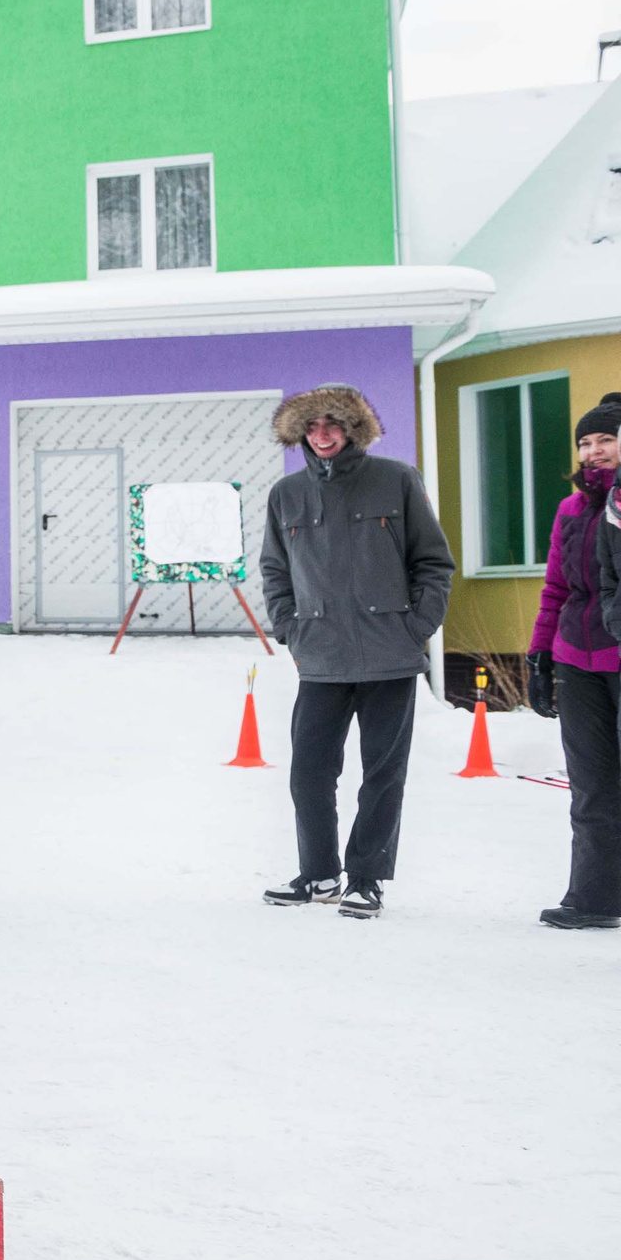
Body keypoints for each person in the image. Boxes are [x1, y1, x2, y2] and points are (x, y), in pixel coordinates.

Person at [257, 385, 455, 921]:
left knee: (382, 774)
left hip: (389, 653)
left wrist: (417, 627)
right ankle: (319, 874)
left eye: (333, 424)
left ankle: (366, 879)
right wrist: (290, 628)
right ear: (301, 433)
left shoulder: (396, 480)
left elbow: (433, 563)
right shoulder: (286, 494)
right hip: (320, 656)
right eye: (313, 426)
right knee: (310, 773)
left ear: (352, 430)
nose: (322, 435)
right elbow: (274, 570)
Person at [542, 391, 621, 931]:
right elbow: (556, 587)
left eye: (606, 440)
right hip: (577, 658)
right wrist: (539, 656)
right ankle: (594, 898)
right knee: (592, 785)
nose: (592, 451)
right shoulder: (571, 508)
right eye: (585, 442)